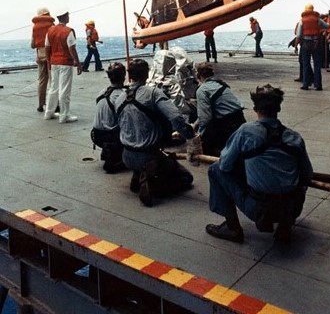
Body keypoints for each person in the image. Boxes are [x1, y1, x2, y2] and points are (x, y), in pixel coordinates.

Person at [206, 85, 313, 244]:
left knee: (215, 169)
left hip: (259, 208)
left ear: (256, 109)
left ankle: (232, 228)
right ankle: (285, 225)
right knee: (294, 185)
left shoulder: (246, 131)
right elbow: (307, 175)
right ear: (278, 108)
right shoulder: (295, 137)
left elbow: (225, 166)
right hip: (293, 207)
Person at [114, 58, 195, 207]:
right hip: (148, 155)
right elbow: (176, 118)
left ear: (130, 76)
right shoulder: (153, 93)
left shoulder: (119, 98)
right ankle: (150, 181)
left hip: (126, 156)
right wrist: (190, 136)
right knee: (185, 178)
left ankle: (139, 173)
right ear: (147, 74)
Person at [195, 62, 246, 156]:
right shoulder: (220, 83)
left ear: (198, 75)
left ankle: (225, 153)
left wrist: (199, 136)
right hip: (240, 119)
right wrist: (195, 125)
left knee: (205, 147)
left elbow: (205, 118)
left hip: (227, 125)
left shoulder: (202, 90)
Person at [44, 10, 82, 123]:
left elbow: (47, 47)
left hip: (54, 62)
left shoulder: (50, 30)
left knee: (53, 88)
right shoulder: (68, 31)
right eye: (68, 15)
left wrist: (49, 61)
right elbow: (72, 49)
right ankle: (64, 115)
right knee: (64, 89)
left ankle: (49, 113)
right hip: (65, 62)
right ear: (65, 17)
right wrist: (78, 63)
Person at [91, 63, 126, 173]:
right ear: (124, 76)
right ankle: (118, 153)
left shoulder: (102, 92)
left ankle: (110, 151)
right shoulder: (122, 95)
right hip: (111, 136)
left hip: (96, 135)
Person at [295, 4, 330, 91]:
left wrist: (296, 46)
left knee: (306, 64)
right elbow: (327, 26)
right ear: (313, 10)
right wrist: (328, 18)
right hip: (316, 43)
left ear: (305, 10)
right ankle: (318, 85)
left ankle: (306, 85)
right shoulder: (318, 20)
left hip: (305, 44)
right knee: (317, 65)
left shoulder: (301, 21)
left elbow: (298, 35)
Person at [31, 7, 55, 112]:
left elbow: (32, 45)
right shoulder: (52, 26)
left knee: (41, 81)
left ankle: (40, 105)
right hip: (51, 57)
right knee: (53, 81)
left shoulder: (34, 28)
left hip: (40, 57)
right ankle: (55, 105)